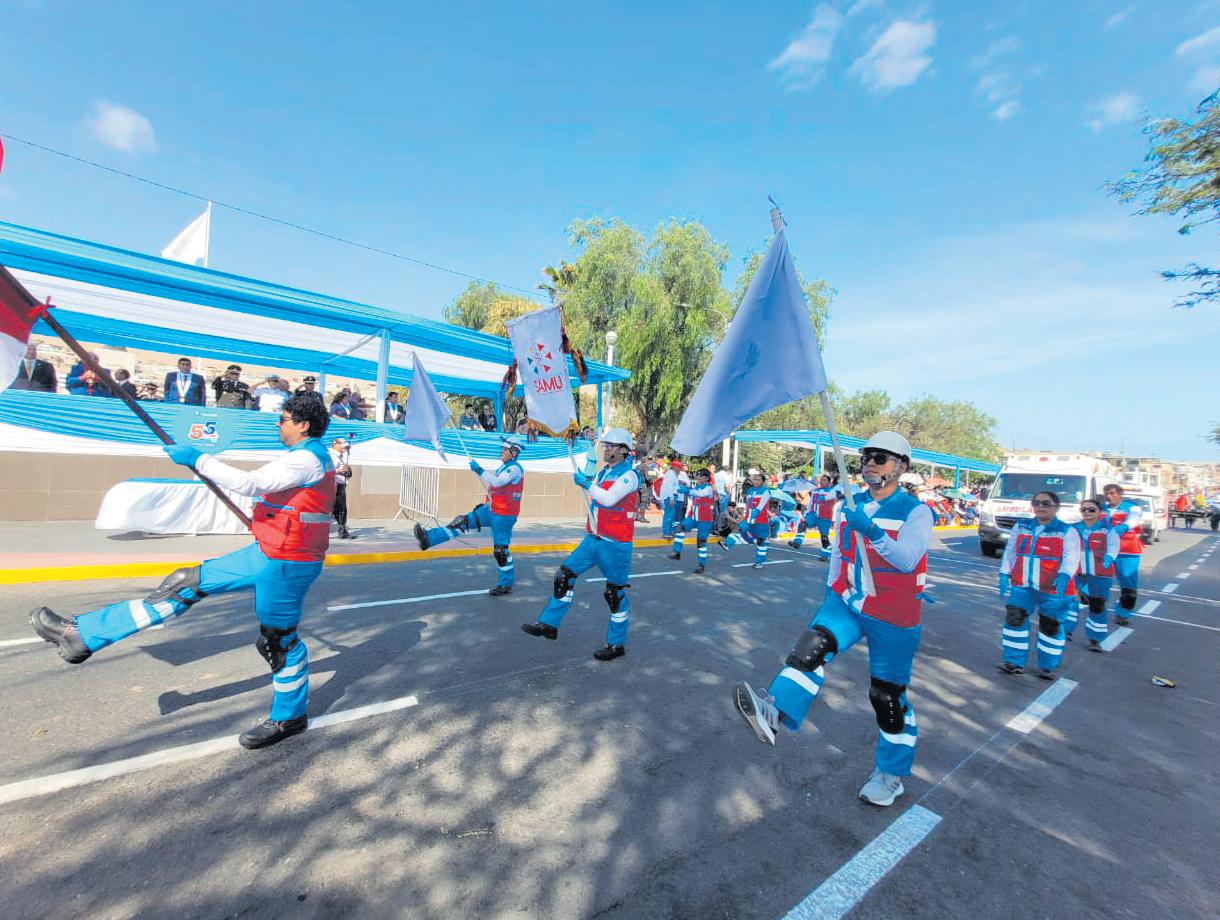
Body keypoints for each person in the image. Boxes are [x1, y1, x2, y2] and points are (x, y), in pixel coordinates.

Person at [29, 394, 335, 750]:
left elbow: (249, 483)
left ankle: (289, 717)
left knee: (278, 641)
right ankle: (82, 635)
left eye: (283, 419)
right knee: (183, 584)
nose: (277, 424)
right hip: (268, 552)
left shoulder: (306, 459)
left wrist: (197, 458)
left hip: (288, 564)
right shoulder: (301, 456)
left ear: (303, 425)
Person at [733, 432, 933, 807]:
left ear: (902, 466)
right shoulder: (849, 505)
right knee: (810, 648)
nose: (870, 463)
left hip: (894, 613)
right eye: (866, 457)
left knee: (887, 697)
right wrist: (831, 591)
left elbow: (907, 560)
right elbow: (840, 554)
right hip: (849, 601)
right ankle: (774, 711)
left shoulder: (916, 512)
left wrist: (870, 529)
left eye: (880, 457)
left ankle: (891, 774)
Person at [520, 428, 640, 661]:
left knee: (614, 595)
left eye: (611, 445)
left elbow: (608, 499)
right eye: (605, 445)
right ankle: (549, 624)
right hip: (592, 539)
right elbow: (596, 496)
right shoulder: (605, 471)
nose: (606, 448)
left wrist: (586, 483)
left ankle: (616, 645)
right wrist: (587, 477)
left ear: (623, 450)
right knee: (563, 576)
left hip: (615, 545)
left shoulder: (630, 475)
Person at [414, 435, 526, 596]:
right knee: (461, 522)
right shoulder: (504, 467)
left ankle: (505, 584)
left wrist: (479, 470)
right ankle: (428, 539)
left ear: (513, 452)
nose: (501, 451)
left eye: (505, 449)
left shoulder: (514, 469)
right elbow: (496, 488)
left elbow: (497, 482)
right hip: (490, 510)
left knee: (501, 551)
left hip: (504, 517)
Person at [996, 490, 1081, 679]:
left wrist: (1065, 575)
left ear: (1056, 507)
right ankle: (1013, 662)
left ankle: (1047, 667)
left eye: (1046, 503)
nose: (1041, 507)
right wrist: (1004, 573)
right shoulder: (1021, 527)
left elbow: (1071, 557)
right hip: (1023, 585)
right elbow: (1011, 551)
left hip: (1054, 589)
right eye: (1037, 503)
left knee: (1050, 626)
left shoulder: (1068, 531)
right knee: (1014, 620)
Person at [1069, 498, 1118, 652]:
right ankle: (1065, 630)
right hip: (1076, 572)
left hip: (1100, 573)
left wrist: (1109, 557)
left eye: (1091, 509)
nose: (1087, 512)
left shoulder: (1108, 530)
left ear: (1099, 512)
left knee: (1097, 605)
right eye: (1084, 509)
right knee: (1069, 600)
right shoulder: (1073, 529)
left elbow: (1114, 547)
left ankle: (1095, 639)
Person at [1101, 483, 1144, 626]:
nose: (1109, 496)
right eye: (1107, 493)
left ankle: (1123, 613)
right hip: (1104, 550)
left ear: (1120, 494)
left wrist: (1125, 526)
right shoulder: (1101, 508)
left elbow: (1134, 519)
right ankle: (1096, 608)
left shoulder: (1132, 507)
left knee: (1128, 585)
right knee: (1096, 581)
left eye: (1112, 493)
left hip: (1127, 551)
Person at [669, 467, 718, 573]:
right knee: (680, 528)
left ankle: (701, 565)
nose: (697, 476)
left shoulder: (709, 488)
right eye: (697, 474)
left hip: (705, 519)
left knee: (701, 541)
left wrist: (687, 491)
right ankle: (677, 552)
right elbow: (694, 497)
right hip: (693, 517)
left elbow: (700, 494)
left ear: (706, 478)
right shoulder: (697, 486)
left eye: (700, 475)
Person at [792, 474, 839, 555]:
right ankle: (797, 542)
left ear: (829, 482)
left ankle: (826, 553)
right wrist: (807, 513)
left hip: (825, 517)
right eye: (821, 480)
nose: (821, 481)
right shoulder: (815, 491)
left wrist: (823, 498)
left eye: (824, 480)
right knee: (803, 524)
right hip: (813, 515)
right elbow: (811, 503)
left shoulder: (832, 491)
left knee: (824, 538)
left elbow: (829, 497)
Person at [741, 469, 773, 568]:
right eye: (755, 479)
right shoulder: (750, 490)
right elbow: (748, 504)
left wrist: (753, 515)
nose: (756, 481)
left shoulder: (766, 491)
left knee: (761, 541)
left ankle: (759, 562)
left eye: (758, 480)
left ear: (762, 482)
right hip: (749, 517)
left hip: (761, 519)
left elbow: (760, 506)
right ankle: (751, 540)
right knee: (742, 528)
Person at [329, 436, 355, 540]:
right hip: (334, 486)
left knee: (341, 510)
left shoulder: (339, 456)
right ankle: (341, 531)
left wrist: (347, 471)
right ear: (335, 444)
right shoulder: (332, 456)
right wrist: (340, 471)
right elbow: (326, 471)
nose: (344, 446)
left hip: (339, 486)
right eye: (342, 443)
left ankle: (342, 531)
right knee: (339, 510)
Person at [659, 459, 689, 537]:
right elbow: (670, 486)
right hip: (670, 497)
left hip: (672, 496)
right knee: (668, 515)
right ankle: (666, 532)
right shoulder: (670, 474)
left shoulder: (673, 474)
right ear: (675, 467)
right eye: (679, 468)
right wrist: (671, 498)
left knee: (672, 515)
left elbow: (675, 487)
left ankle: (670, 531)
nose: (680, 470)